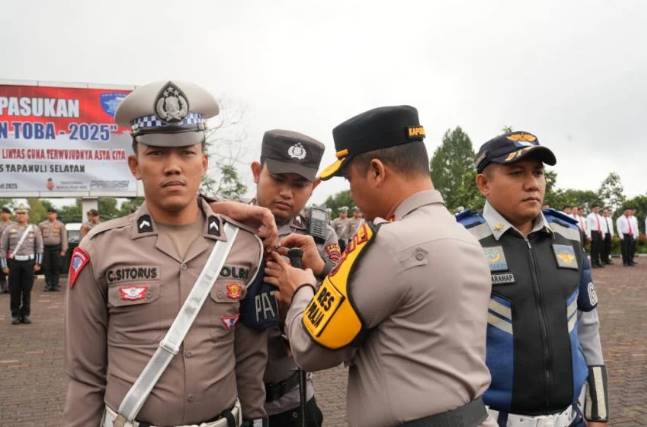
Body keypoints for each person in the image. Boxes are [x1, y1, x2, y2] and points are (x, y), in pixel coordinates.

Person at [264, 105, 494, 427]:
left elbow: (310, 347)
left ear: (376, 171)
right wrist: (324, 272)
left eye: (349, 178)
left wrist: (300, 288)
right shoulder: (464, 236)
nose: (350, 191)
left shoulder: (388, 243)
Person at [63, 80, 268, 427]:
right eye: (156, 153)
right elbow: (85, 376)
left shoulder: (244, 247)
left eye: (186, 152)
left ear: (203, 163)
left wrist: (257, 419)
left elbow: (250, 360)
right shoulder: (99, 250)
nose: (172, 166)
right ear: (134, 165)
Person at [458, 131, 608, 427]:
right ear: (484, 183)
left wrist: (598, 411)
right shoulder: (461, 241)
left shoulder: (568, 234)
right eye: (516, 173)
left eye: (538, 173)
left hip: (571, 419)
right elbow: (445, 347)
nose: (532, 184)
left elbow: (589, 327)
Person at [245, 129, 340, 426]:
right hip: (235, 403)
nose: (287, 192)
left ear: (313, 186)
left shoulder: (319, 236)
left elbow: (346, 307)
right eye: (278, 179)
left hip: (295, 402)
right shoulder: (228, 228)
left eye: (299, 184)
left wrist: (308, 286)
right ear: (257, 172)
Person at [0, 204, 43, 325]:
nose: (21, 215)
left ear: (27, 215)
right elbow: (2, 248)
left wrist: (38, 263)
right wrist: (4, 265)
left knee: (27, 289)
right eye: (18, 213)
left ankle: (25, 314)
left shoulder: (34, 228)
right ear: (15, 215)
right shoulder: (9, 229)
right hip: (14, 263)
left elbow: (39, 247)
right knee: (14, 290)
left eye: (23, 213)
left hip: (29, 263)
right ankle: (15, 315)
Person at [38, 207, 68, 291]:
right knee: (46, 267)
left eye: (52, 213)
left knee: (56, 266)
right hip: (45, 248)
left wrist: (63, 250)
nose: (51, 215)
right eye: (49, 213)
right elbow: (39, 238)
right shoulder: (42, 224)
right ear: (47, 214)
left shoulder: (60, 225)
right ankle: (48, 284)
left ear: (56, 215)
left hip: (56, 248)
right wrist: (39, 250)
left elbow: (64, 238)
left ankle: (55, 285)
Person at [0, 207, 14, 293]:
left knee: (11, 268)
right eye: (2, 213)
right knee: (1, 268)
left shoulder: (14, 224)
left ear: (9, 214)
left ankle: (10, 286)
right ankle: (3, 286)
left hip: (11, 250)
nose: (4, 214)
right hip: (1, 249)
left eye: (6, 213)